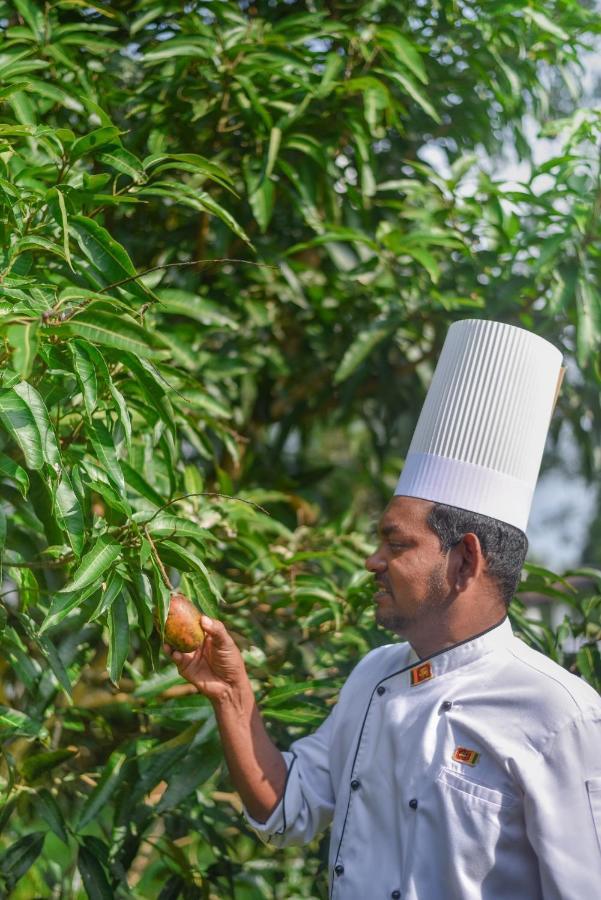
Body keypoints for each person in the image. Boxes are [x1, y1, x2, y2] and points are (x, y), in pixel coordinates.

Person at [165, 320, 601, 898]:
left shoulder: (559, 714)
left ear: (464, 560)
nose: (372, 562)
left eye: (396, 545)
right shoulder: (375, 675)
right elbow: (285, 811)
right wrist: (230, 693)